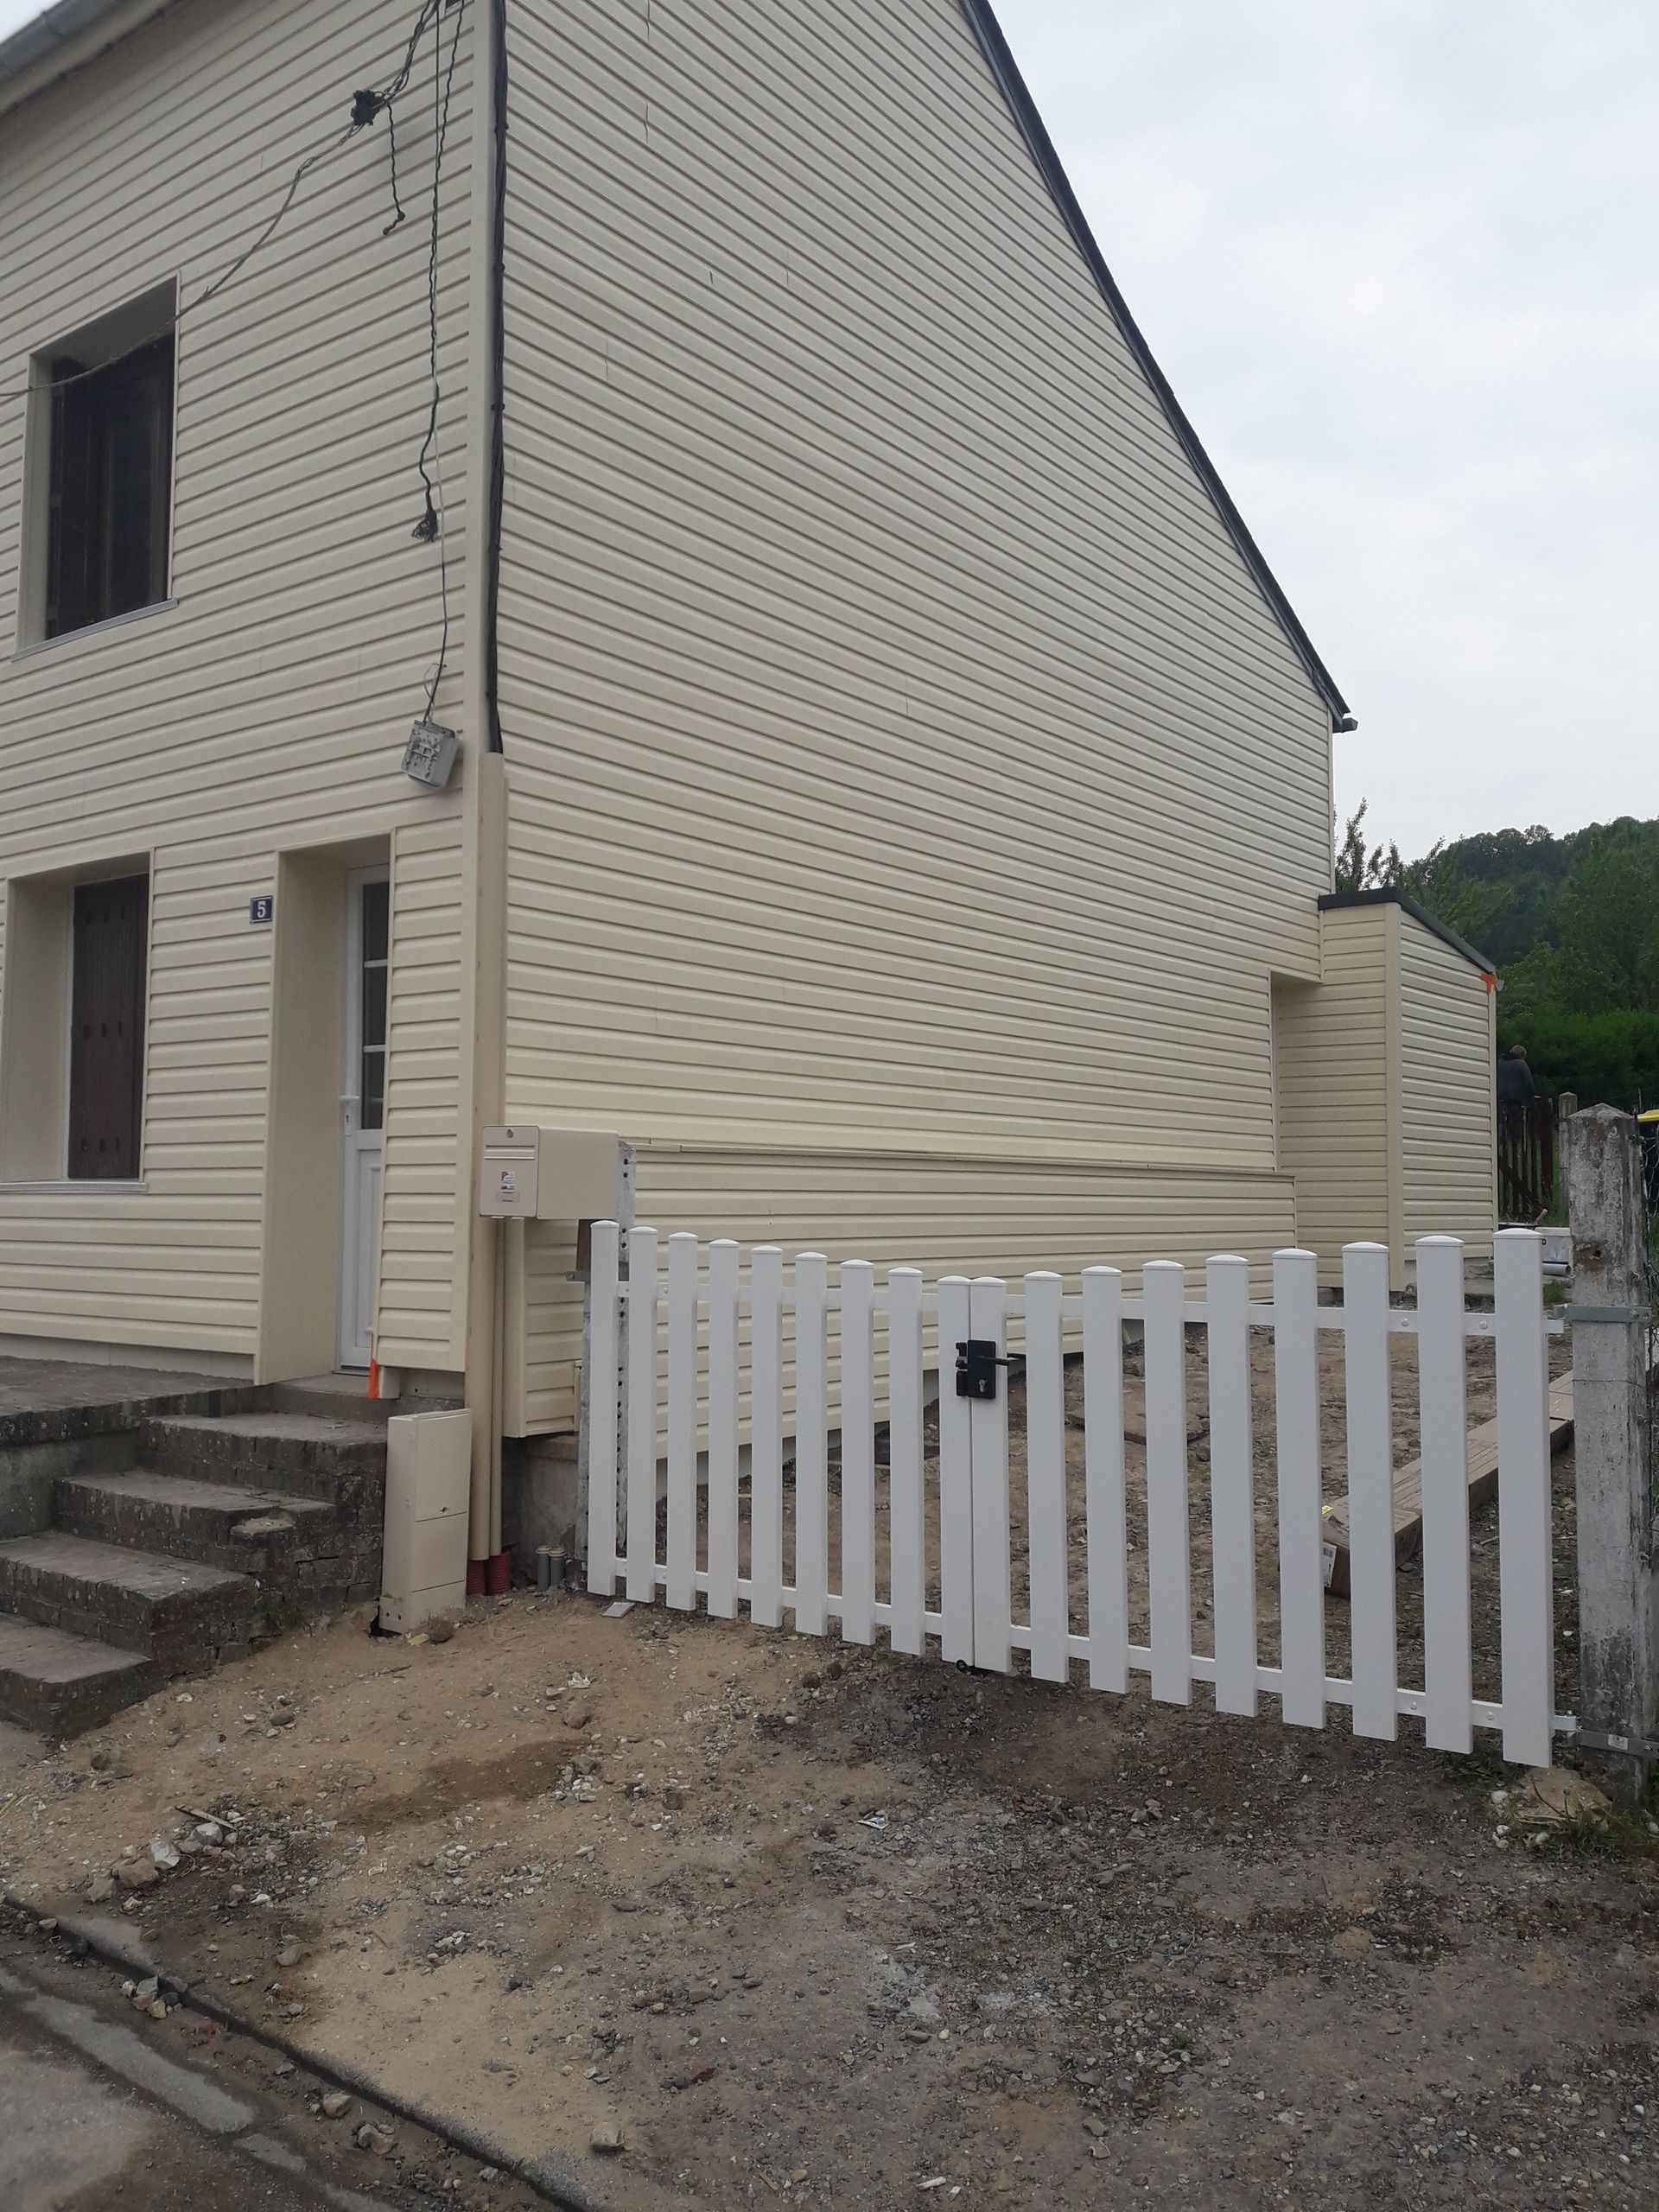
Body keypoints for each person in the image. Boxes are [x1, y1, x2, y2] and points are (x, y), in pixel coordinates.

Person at [1496, 1043, 1535, 1107]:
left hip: (1499, 1101)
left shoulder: (1498, 1063)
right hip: (1516, 1103)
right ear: (1522, 1056)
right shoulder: (1521, 1064)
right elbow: (1529, 1084)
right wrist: (1530, 1100)